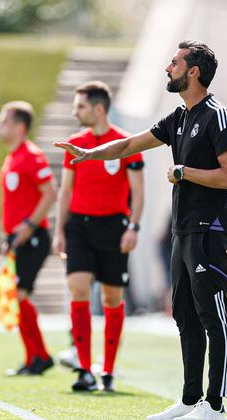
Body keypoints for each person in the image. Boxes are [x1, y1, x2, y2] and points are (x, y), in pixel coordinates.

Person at [55, 40, 227, 420]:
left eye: (174, 62)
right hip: (182, 230)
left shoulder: (219, 117)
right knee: (185, 316)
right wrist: (91, 155)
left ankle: (216, 406)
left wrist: (184, 172)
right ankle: (191, 400)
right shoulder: (178, 118)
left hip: (210, 230)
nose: (166, 68)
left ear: (193, 71)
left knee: (213, 314)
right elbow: (130, 144)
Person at [53, 81, 144, 392]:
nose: (74, 112)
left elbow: (138, 192)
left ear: (99, 108)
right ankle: (84, 369)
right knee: (78, 288)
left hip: (114, 228)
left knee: (111, 298)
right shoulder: (74, 144)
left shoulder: (125, 143)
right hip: (79, 227)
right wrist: (59, 231)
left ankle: (106, 371)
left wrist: (133, 227)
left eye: (80, 106)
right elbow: (65, 191)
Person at [0, 101, 57, 376]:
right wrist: (10, 236)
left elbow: (50, 193)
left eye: (4, 121)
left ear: (20, 126)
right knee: (17, 296)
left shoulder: (31, 156)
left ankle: (40, 356)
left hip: (33, 238)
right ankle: (35, 357)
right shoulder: (13, 156)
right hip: (18, 238)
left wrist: (29, 226)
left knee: (19, 295)